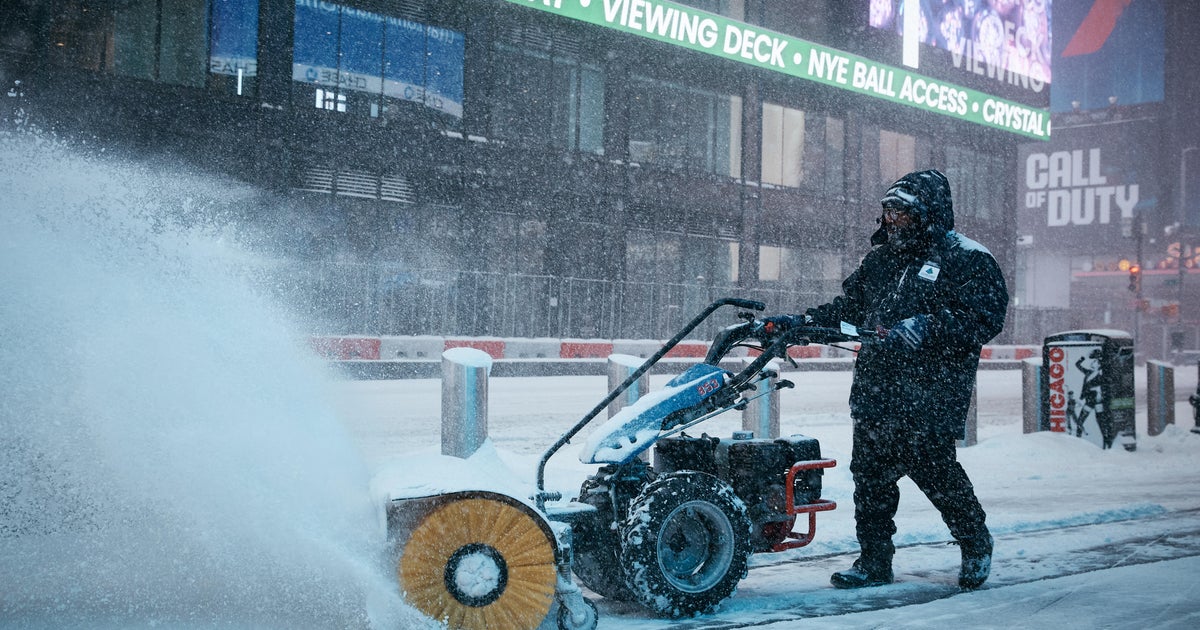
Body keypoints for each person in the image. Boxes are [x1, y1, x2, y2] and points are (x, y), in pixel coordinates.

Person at [765, 169, 1008, 590]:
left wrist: (929, 326)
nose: (894, 224)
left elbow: (985, 318)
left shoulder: (968, 259)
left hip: (930, 392)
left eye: (904, 215)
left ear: (929, 215)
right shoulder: (879, 262)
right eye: (889, 214)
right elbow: (850, 309)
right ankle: (875, 561)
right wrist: (803, 323)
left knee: (937, 475)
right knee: (871, 480)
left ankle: (975, 542)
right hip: (878, 390)